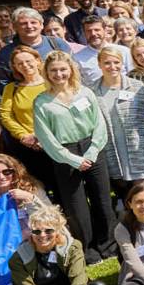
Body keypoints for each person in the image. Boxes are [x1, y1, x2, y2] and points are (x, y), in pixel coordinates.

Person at [32, 51, 115, 262]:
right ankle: (86, 249)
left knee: (102, 200)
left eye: (63, 69)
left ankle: (108, 244)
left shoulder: (85, 93)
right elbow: (46, 138)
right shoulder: (42, 102)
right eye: (53, 71)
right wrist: (74, 159)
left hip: (92, 148)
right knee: (76, 207)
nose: (59, 74)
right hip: (63, 155)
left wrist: (92, 151)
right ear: (46, 73)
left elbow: (99, 124)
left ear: (71, 70)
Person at [0, 44, 54, 193]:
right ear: (15, 67)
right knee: (37, 189)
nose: (25, 65)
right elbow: (5, 115)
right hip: (28, 147)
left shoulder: (52, 83)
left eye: (28, 61)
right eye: (20, 63)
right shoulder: (11, 88)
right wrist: (23, 135)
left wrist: (44, 137)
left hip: (56, 143)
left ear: (37, 60)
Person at [0, 152, 53, 235]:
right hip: (10, 244)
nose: (1, 177)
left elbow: (52, 218)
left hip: (39, 238)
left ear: (14, 172)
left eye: (6, 172)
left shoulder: (32, 189)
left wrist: (31, 199)